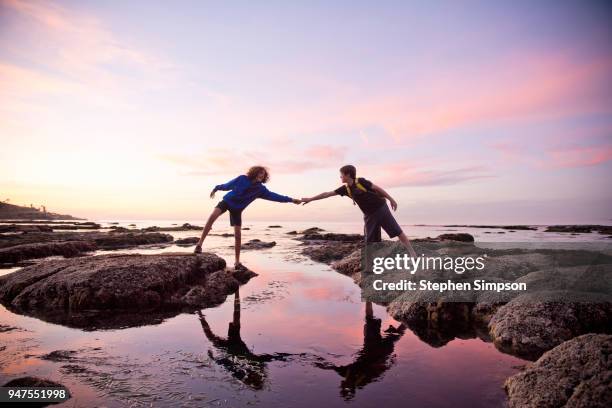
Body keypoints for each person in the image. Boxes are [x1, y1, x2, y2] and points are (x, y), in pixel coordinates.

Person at [301, 164, 417, 257]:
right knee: (370, 241)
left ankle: (412, 253)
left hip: (380, 208)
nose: (340, 177)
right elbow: (327, 194)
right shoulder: (345, 189)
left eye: (341, 175)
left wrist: (391, 199)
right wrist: (310, 199)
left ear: (347, 175)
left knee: (396, 231)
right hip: (368, 215)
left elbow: (378, 189)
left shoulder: (361, 181)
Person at [194, 165, 300, 267]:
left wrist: (291, 200)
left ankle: (237, 261)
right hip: (227, 201)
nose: (261, 175)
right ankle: (199, 245)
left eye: (263, 175)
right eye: (259, 173)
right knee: (212, 217)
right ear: (254, 173)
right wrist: (216, 188)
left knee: (238, 235)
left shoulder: (260, 190)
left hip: (237, 209)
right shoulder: (242, 179)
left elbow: (275, 196)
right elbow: (227, 185)